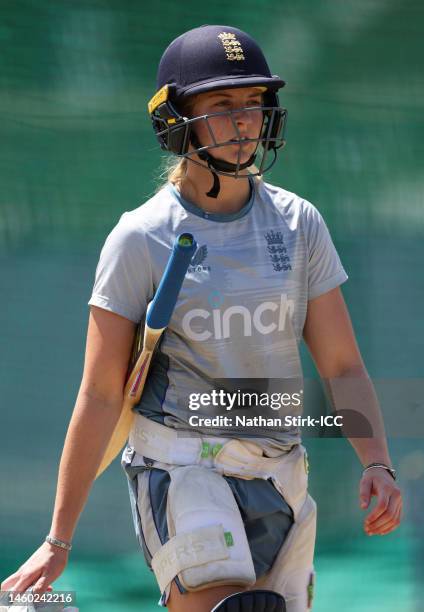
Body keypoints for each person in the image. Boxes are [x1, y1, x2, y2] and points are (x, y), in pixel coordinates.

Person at [1, 24, 402, 612]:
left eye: (254, 103)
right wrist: (58, 540)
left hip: (280, 471)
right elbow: (100, 394)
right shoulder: (140, 237)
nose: (245, 120)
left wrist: (378, 462)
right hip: (181, 466)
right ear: (175, 121)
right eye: (222, 105)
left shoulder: (299, 223)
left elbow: (342, 364)